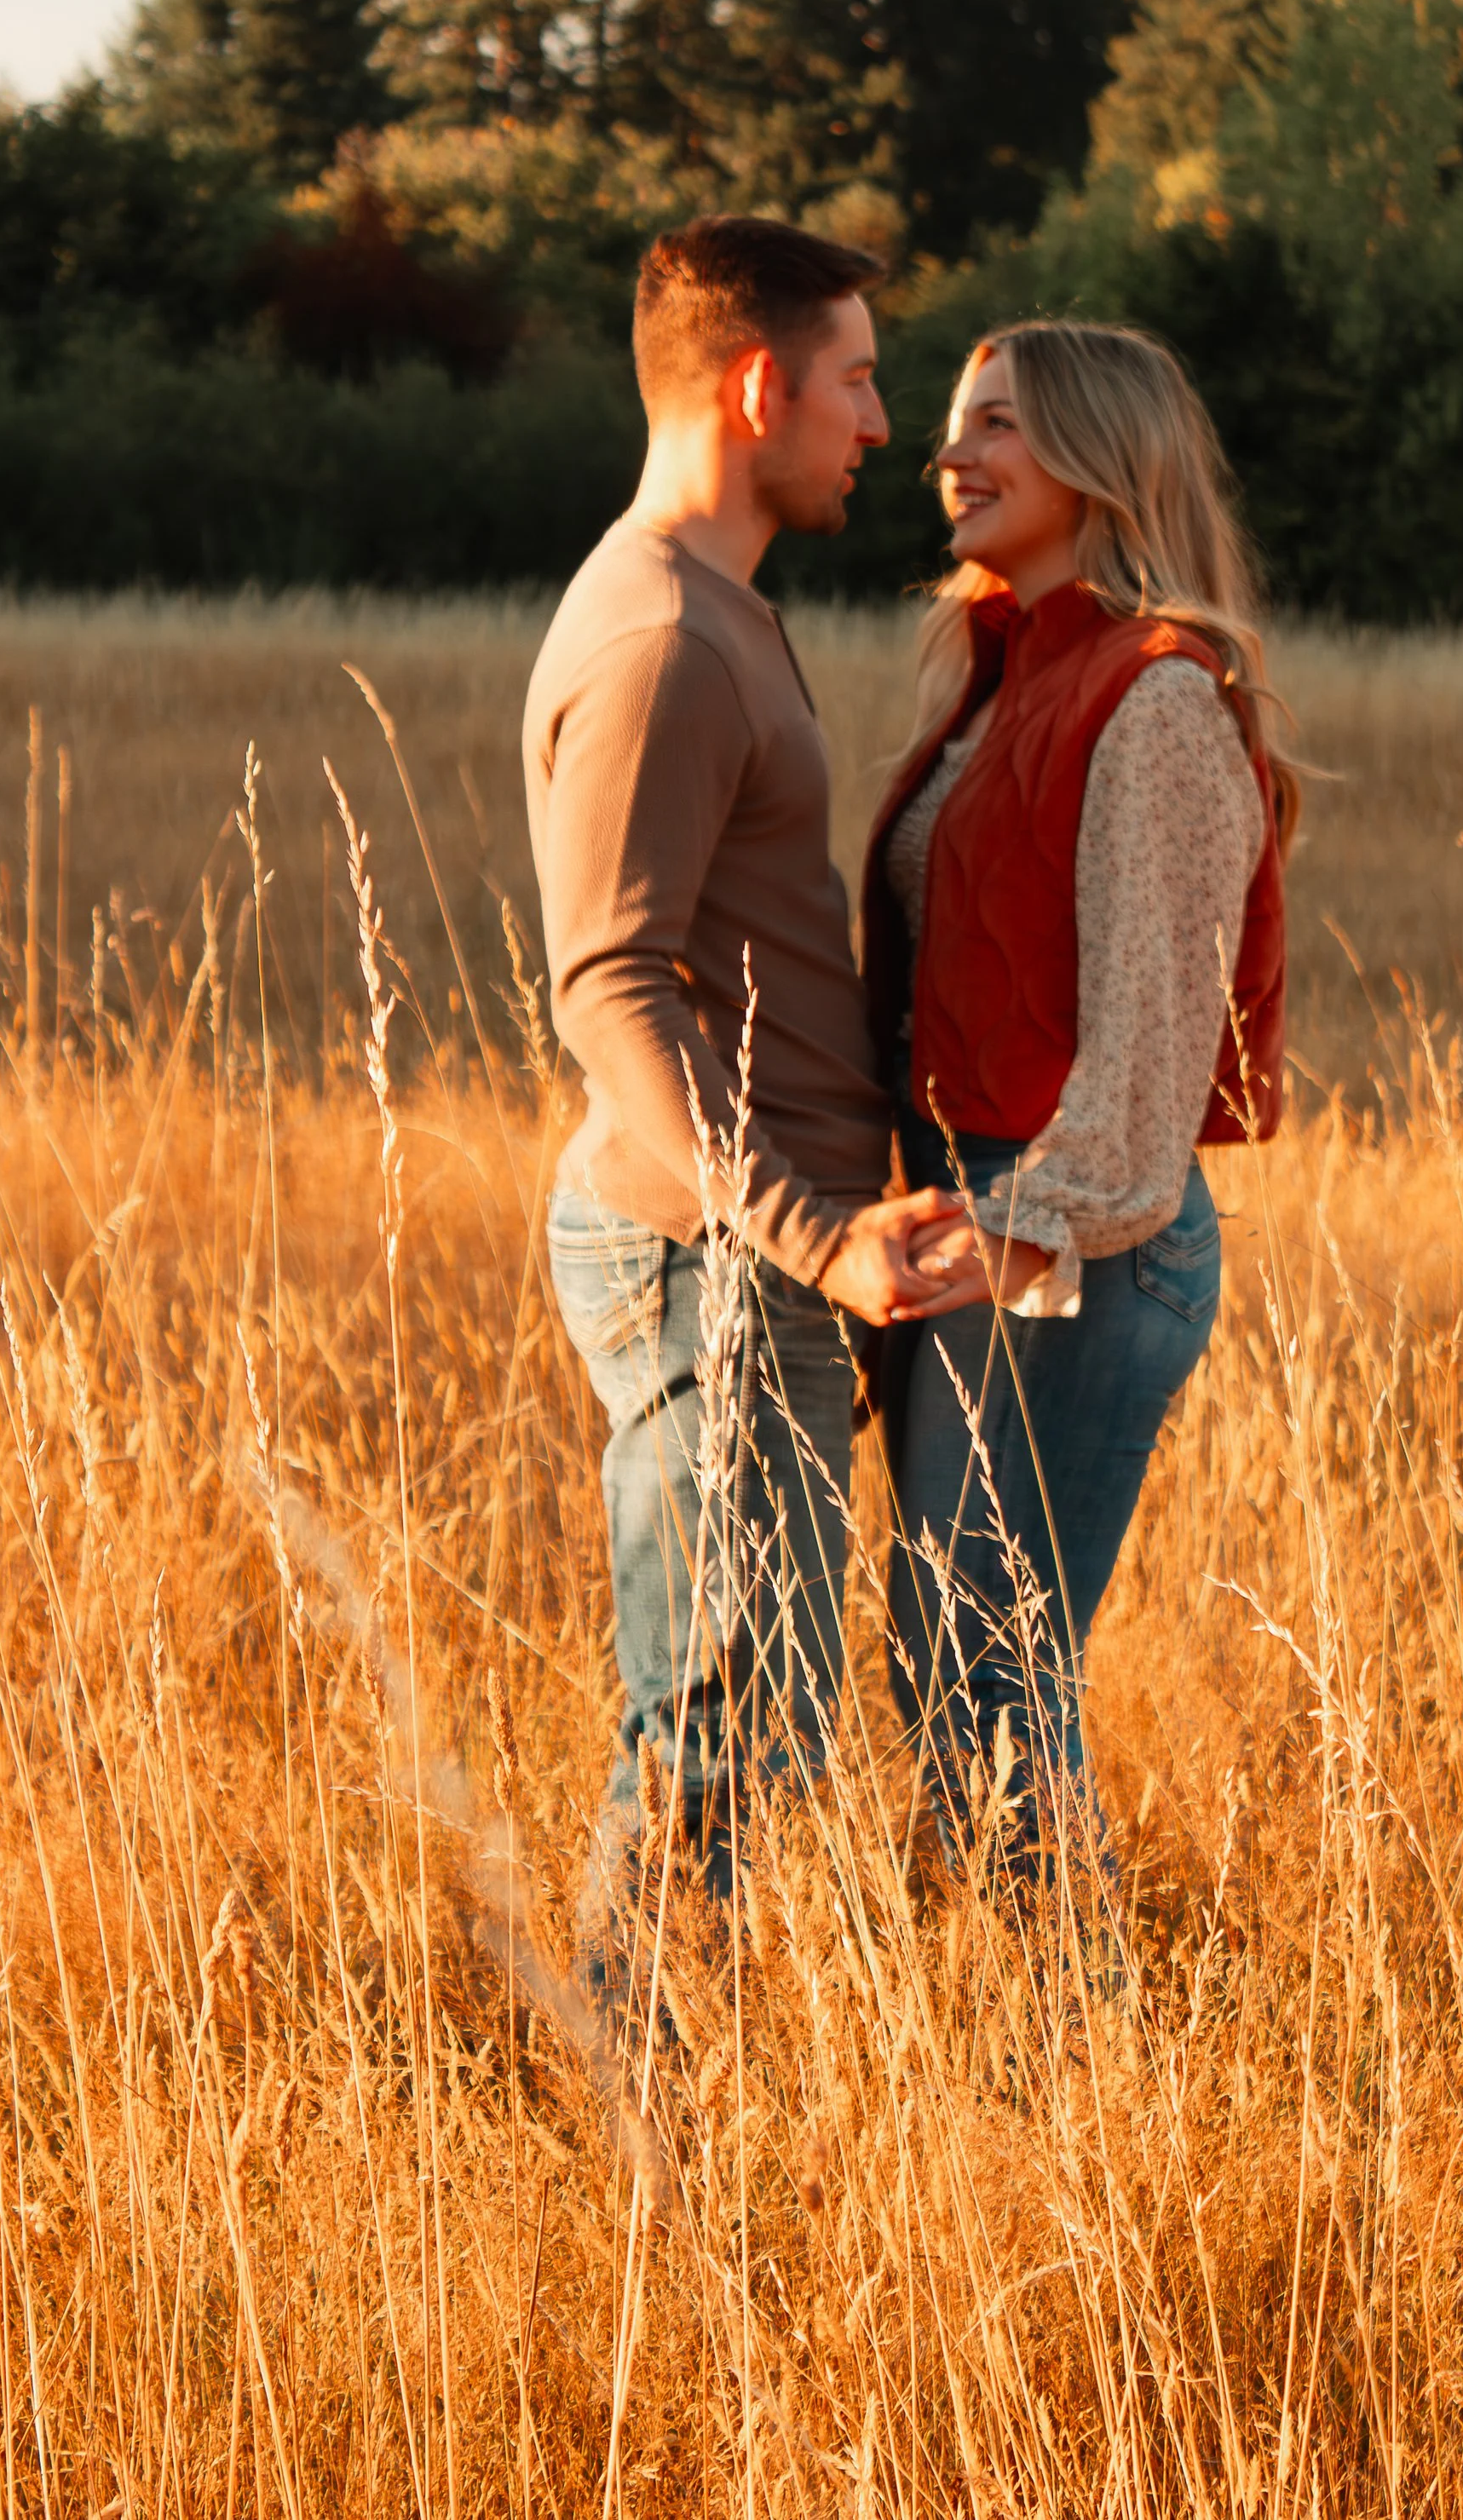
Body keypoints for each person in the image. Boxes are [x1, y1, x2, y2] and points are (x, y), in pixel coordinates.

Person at [522, 216, 966, 1927]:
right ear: (761, 384)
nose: (881, 425)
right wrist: (813, 1234)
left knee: (751, 1714)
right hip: (710, 1258)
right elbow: (612, 989)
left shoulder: (711, 612)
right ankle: (652, 2148)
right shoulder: (663, 642)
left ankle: (688, 2115)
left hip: (749, 1256)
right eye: (857, 382)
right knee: (718, 1731)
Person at [860, 319, 1299, 1884]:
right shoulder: (1005, 669)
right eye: (948, 427)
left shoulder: (1160, 699)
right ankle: (1035, 2041)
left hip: (1075, 1240)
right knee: (955, 1659)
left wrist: (1023, 1228)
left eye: (997, 426)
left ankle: (1075, 2053)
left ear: (1102, 459)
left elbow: (1151, 1049)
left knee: (986, 1667)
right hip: (985, 1209)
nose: (950, 455)